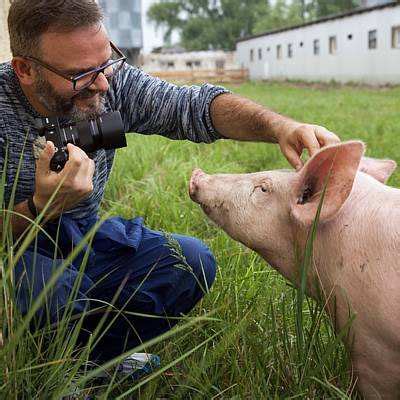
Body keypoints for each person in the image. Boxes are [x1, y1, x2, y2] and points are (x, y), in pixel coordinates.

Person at [1, 0, 340, 365]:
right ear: (25, 70)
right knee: (51, 291)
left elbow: (191, 106)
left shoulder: (111, 83)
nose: (102, 83)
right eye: (81, 74)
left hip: (83, 232)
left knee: (189, 263)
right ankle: (55, 364)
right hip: (16, 246)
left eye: (106, 62)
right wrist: (41, 207)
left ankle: (98, 359)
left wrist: (279, 127)